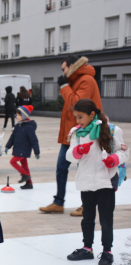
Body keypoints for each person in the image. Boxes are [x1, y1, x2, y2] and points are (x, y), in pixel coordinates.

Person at [65, 99, 128, 265]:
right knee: (87, 218)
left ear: (92, 114)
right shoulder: (76, 132)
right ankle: (87, 248)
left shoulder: (112, 130)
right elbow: (69, 156)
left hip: (105, 181)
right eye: (76, 117)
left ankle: (107, 251)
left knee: (106, 218)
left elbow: (123, 153)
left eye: (80, 117)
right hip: (86, 180)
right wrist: (77, 151)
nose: (77, 121)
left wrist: (114, 159)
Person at [40, 55, 103, 216]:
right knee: (61, 168)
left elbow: (77, 104)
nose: (62, 72)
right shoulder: (75, 81)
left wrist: (64, 87)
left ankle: (87, 205)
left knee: (84, 169)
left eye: (64, 68)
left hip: (86, 134)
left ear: (72, 66)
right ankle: (58, 202)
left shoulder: (86, 80)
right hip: (72, 134)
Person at [5, 105, 40, 190]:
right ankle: (29, 183)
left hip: (23, 150)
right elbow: (12, 137)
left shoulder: (29, 127)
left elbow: (34, 140)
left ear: (24, 116)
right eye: (16, 115)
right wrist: (7, 146)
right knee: (24, 165)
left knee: (13, 162)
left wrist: (37, 152)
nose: (16, 117)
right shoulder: (18, 126)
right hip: (18, 149)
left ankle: (25, 175)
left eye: (18, 115)